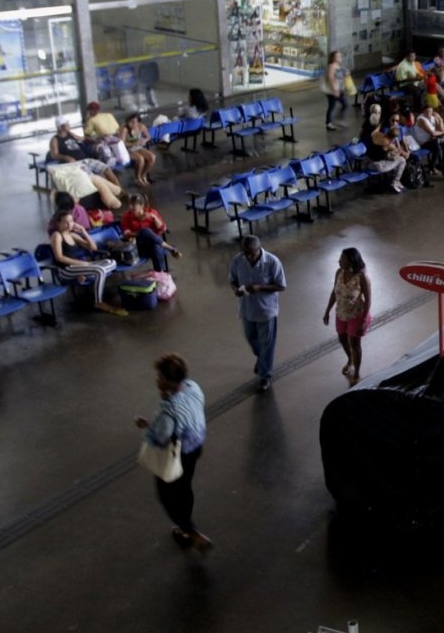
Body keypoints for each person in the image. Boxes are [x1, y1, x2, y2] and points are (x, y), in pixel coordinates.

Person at [133, 353, 211, 551]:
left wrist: (145, 426)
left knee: (165, 495)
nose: (157, 380)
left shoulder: (168, 410)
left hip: (179, 454)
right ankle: (186, 527)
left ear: (168, 381)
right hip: (196, 446)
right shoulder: (194, 387)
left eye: (160, 377)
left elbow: (160, 438)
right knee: (185, 487)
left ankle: (191, 531)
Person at [229, 235, 286, 391]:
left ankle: (265, 376)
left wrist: (260, 288)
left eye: (251, 253)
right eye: (244, 252)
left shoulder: (272, 262)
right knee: (251, 338)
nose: (247, 256)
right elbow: (232, 280)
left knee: (267, 344)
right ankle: (262, 360)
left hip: (266, 311)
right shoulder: (237, 261)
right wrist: (236, 290)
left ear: (258, 249)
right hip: (247, 309)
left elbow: (281, 286)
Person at [48, 210, 125, 316]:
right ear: (58, 224)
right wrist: (82, 264)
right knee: (99, 270)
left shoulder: (73, 235)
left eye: (71, 221)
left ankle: (83, 273)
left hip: (79, 267)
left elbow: (93, 247)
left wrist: (83, 231)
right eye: (66, 222)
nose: (69, 224)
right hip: (66, 270)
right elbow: (59, 257)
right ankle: (98, 302)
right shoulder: (57, 235)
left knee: (112, 262)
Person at [322, 247, 372, 384]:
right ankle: (350, 359)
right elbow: (334, 292)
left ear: (351, 261)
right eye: (340, 258)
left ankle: (356, 372)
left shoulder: (362, 277)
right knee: (342, 340)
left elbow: (368, 300)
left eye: (342, 259)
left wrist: (362, 321)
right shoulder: (339, 272)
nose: (339, 261)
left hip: (356, 315)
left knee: (355, 344)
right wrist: (327, 311)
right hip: (341, 313)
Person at [120, 194, 181, 273]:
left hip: (155, 245)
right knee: (145, 231)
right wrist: (141, 234)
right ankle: (170, 248)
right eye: (130, 204)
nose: (130, 207)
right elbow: (126, 234)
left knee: (155, 247)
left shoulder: (152, 212)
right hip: (140, 246)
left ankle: (159, 274)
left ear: (141, 205)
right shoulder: (127, 216)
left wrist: (154, 218)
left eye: (133, 205)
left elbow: (163, 229)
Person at [82, 102, 131, 168]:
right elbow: (117, 128)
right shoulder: (109, 115)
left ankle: (105, 162)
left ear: (91, 111)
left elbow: (87, 134)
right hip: (117, 138)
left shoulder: (92, 120)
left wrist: (87, 120)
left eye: (89, 111)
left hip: (107, 140)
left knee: (89, 145)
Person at [120, 113, 157, 187]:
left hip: (138, 147)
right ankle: (137, 178)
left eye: (134, 122)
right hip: (128, 149)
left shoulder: (141, 127)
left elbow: (148, 137)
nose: (131, 124)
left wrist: (144, 140)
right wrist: (134, 143)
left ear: (138, 122)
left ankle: (143, 175)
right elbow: (122, 143)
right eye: (130, 122)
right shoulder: (125, 129)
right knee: (140, 159)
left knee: (152, 157)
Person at [322, 50, 349, 130]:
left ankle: (337, 119)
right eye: (338, 56)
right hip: (334, 91)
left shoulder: (338, 66)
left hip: (339, 90)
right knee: (332, 106)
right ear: (333, 58)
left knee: (344, 104)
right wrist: (334, 89)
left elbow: (342, 75)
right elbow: (330, 78)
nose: (340, 58)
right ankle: (329, 123)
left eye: (340, 56)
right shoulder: (332, 66)